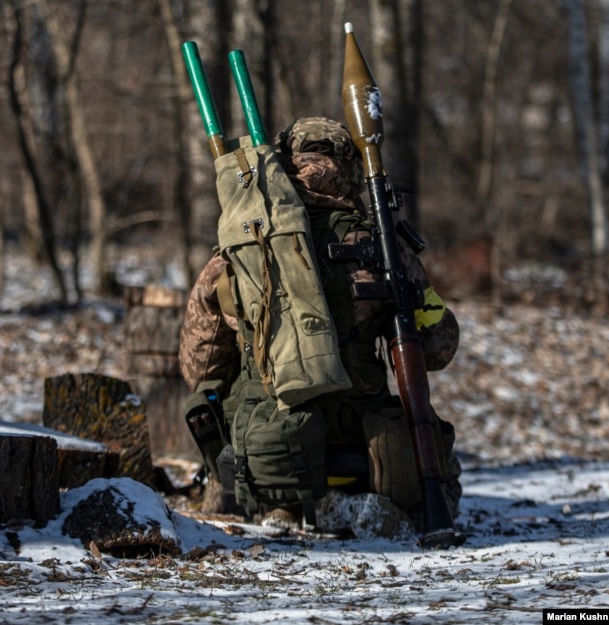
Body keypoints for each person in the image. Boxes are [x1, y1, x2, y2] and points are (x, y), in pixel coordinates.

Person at [179, 116, 461, 531]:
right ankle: (364, 508)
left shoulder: (238, 249)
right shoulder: (383, 247)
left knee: (213, 398)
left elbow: (199, 367)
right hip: (365, 448)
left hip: (271, 450)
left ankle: (280, 506)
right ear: (351, 169)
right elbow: (438, 348)